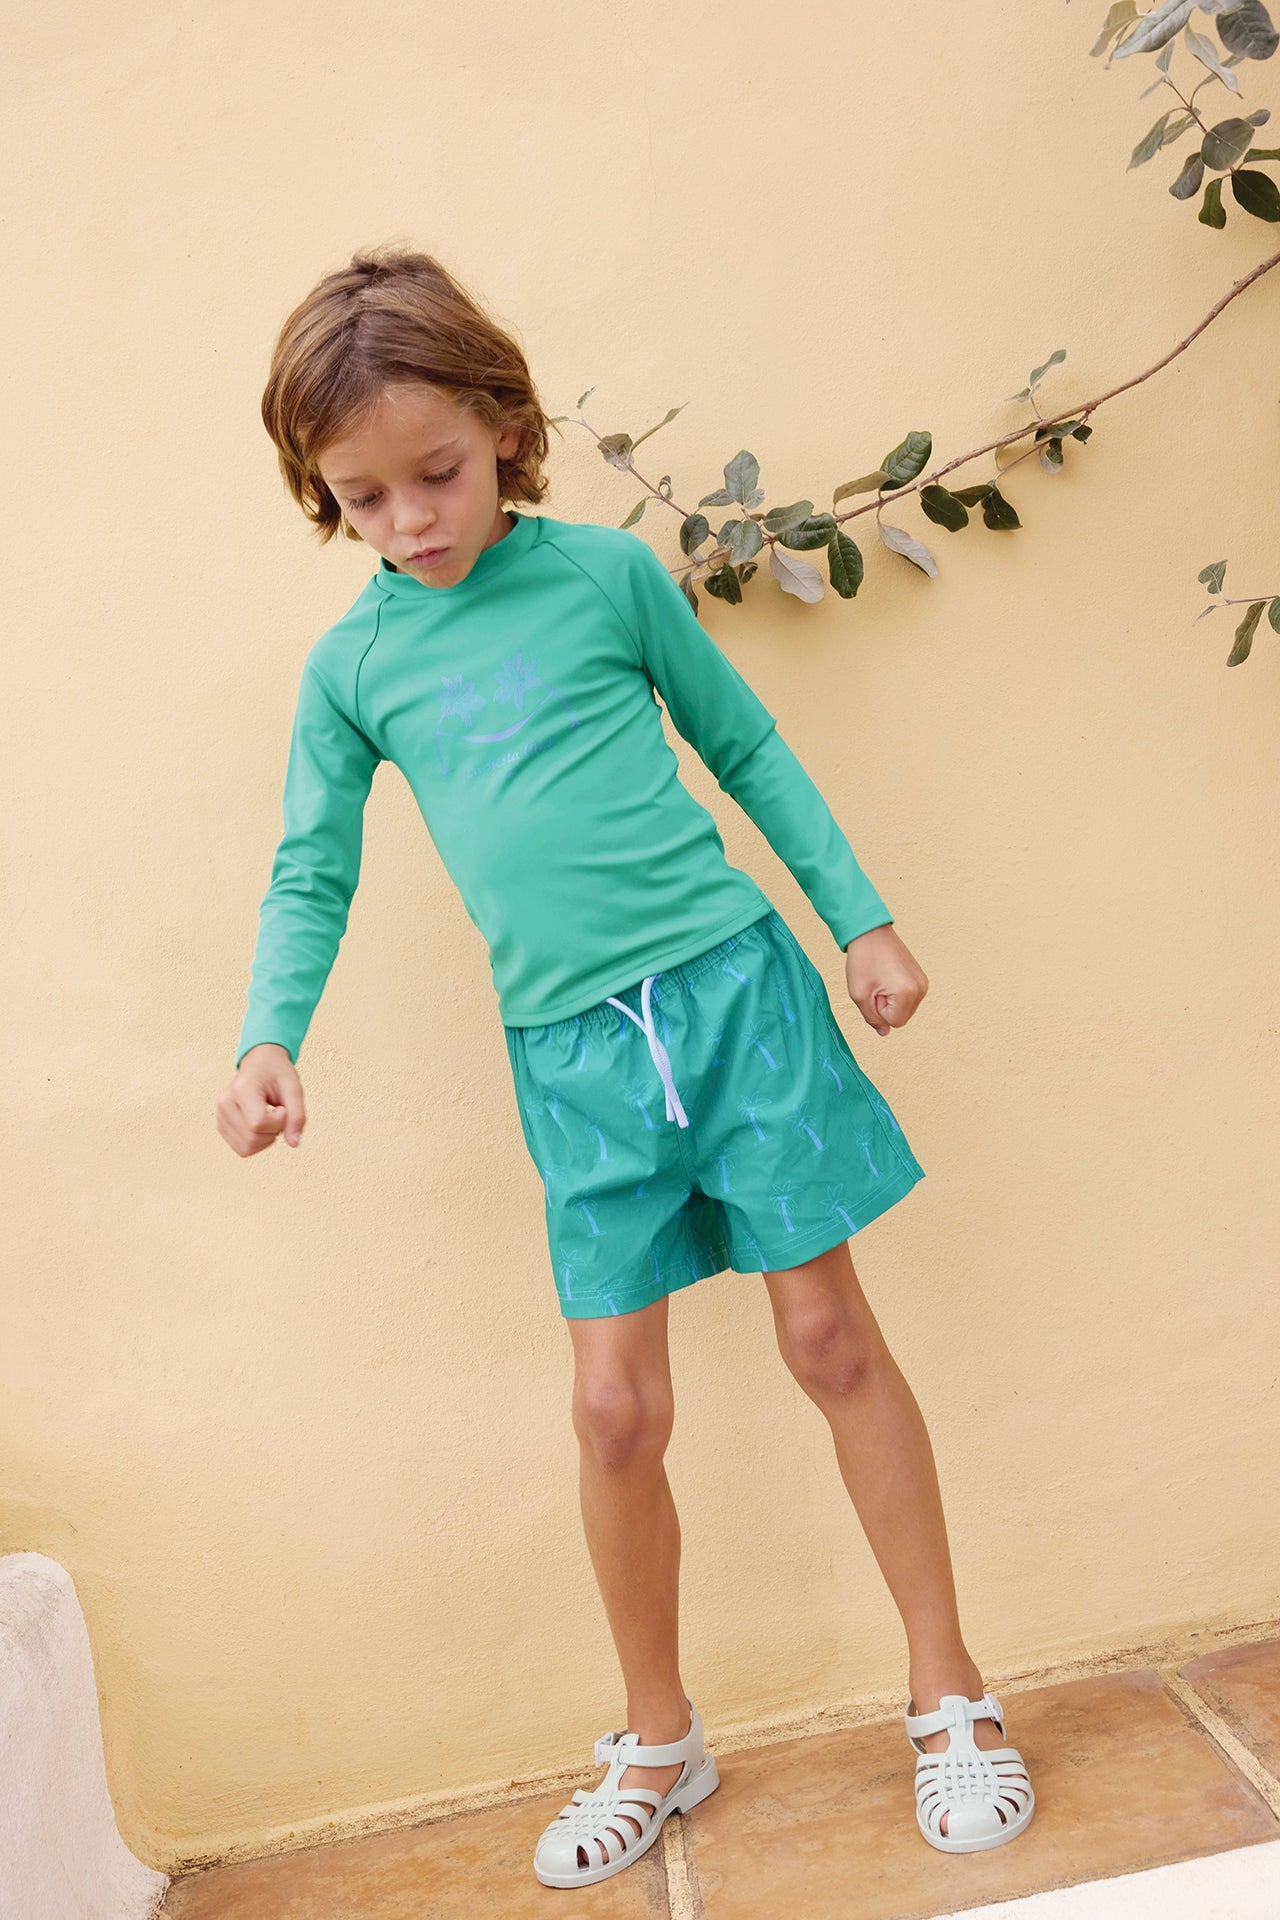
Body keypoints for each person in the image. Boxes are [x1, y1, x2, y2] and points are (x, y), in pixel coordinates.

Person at [216, 245, 1035, 1888]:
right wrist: (266, 1035)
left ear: (507, 434)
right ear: (326, 496)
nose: (409, 522)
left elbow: (742, 744)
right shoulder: (353, 669)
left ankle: (950, 1694)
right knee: (609, 1408)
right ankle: (660, 1735)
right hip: (574, 1063)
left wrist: (860, 923)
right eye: (362, 497)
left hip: (737, 1000)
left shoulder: (604, 578)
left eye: (435, 475)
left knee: (828, 1337)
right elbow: (313, 867)